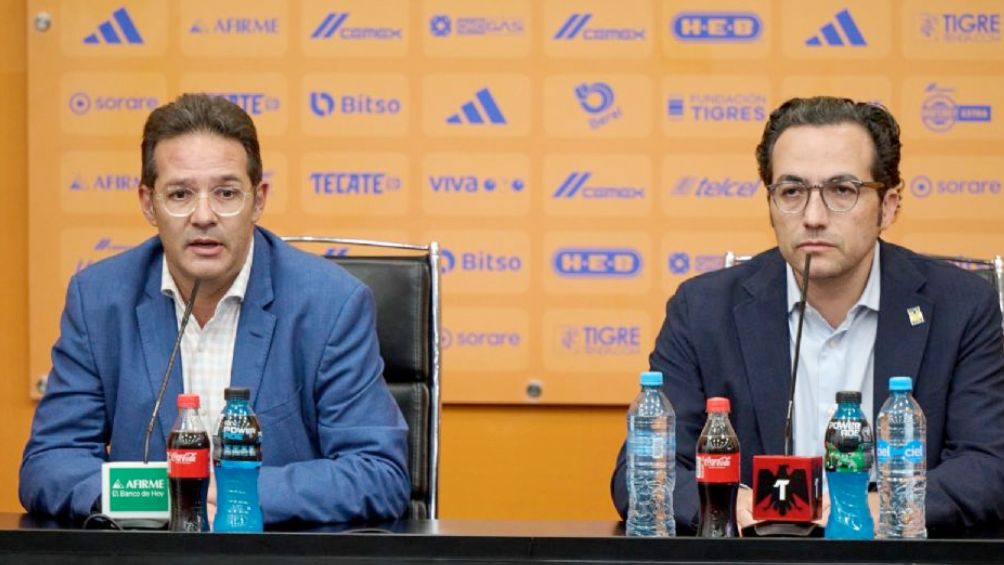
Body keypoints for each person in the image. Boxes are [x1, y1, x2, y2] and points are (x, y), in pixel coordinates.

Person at [611, 96, 1004, 535]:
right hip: (758, 558)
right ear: (770, 203)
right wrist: (732, 506)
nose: (813, 217)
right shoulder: (703, 309)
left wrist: (875, 509)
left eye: (842, 191)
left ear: (888, 206)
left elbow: (988, 466)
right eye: (792, 192)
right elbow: (641, 474)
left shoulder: (961, 307)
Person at [20, 93, 410, 525]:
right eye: (180, 194)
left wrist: (233, 490)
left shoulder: (330, 304)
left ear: (258, 200)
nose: (204, 216)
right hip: (148, 553)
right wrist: (156, 496)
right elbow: (50, 463)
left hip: (273, 551)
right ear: (148, 203)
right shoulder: (99, 301)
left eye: (226, 193)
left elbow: (379, 473)